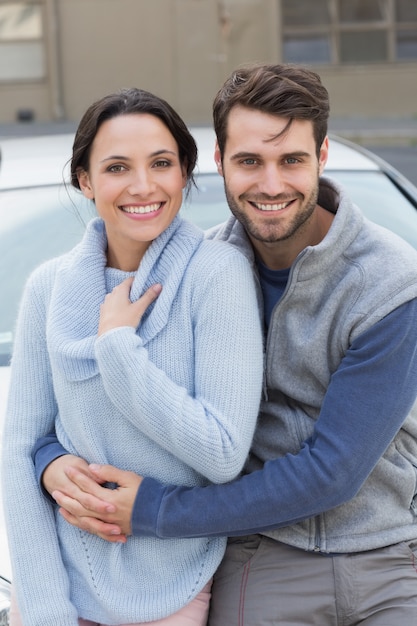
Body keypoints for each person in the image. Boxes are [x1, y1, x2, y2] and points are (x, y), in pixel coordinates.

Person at [32, 64, 417, 625]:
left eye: (291, 160)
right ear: (219, 163)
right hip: (260, 550)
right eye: (248, 161)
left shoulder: (391, 283)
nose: (270, 184)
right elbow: (109, 408)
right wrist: (51, 459)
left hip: (387, 553)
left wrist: (156, 510)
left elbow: (334, 470)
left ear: (323, 155)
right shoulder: (195, 275)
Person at [1, 87, 265, 626]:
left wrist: (120, 350)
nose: (142, 186)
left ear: (185, 173)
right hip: (57, 584)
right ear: (85, 180)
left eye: (162, 163)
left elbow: (221, 452)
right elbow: (18, 452)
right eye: (117, 167)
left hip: (173, 587)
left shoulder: (217, 275)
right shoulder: (49, 288)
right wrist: (46, 610)